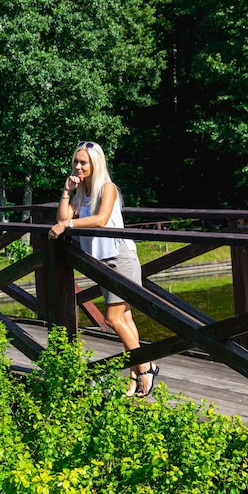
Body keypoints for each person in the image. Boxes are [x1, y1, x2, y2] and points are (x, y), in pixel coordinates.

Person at [48, 140, 159, 397]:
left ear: (95, 163)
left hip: (120, 257)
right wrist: (66, 191)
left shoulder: (107, 188)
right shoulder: (80, 193)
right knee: (126, 318)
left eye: (83, 162)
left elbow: (99, 220)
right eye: (76, 161)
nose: (78, 166)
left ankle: (146, 366)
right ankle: (135, 372)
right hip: (101, 261)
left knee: (113, 318)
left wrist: (68, 226)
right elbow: (62, 218)